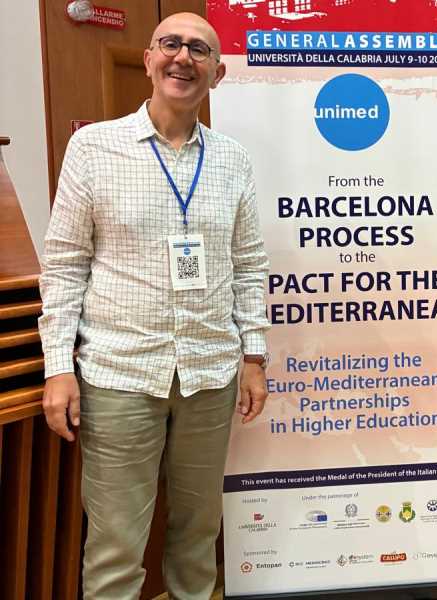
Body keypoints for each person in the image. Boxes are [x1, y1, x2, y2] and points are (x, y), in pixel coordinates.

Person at [38, 13, 270, 599]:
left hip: (209, 374)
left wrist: (254, 356)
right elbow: (64, 266)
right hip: (120, 376)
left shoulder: (233, 160)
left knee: (198, 535)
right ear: (148, 59)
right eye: (171, 44)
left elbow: (248, 265)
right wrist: (58, 367)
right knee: (116, 543)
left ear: (215, 74)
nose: (183, 57)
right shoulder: (93, 148)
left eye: (200, 49)